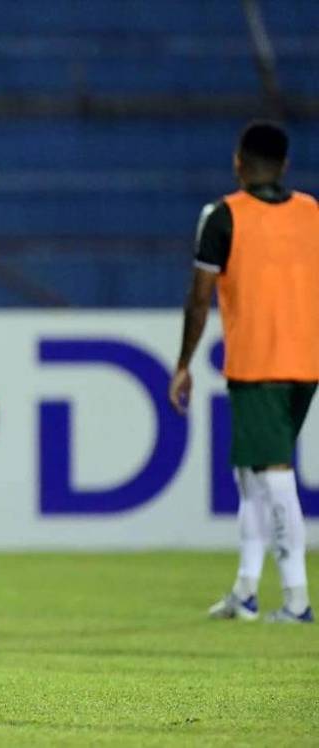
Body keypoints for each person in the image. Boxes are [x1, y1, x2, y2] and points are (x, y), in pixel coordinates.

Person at [171, 121, 318, 624]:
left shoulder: (222, 217)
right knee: (251, 472)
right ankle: (247, 590)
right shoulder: (312, 213)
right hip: (307, 362)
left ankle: (297, 598)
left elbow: (198, 299)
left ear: (238, 162)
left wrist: (184, 363)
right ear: (285, 165)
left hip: (259, 363)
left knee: (273, 475)